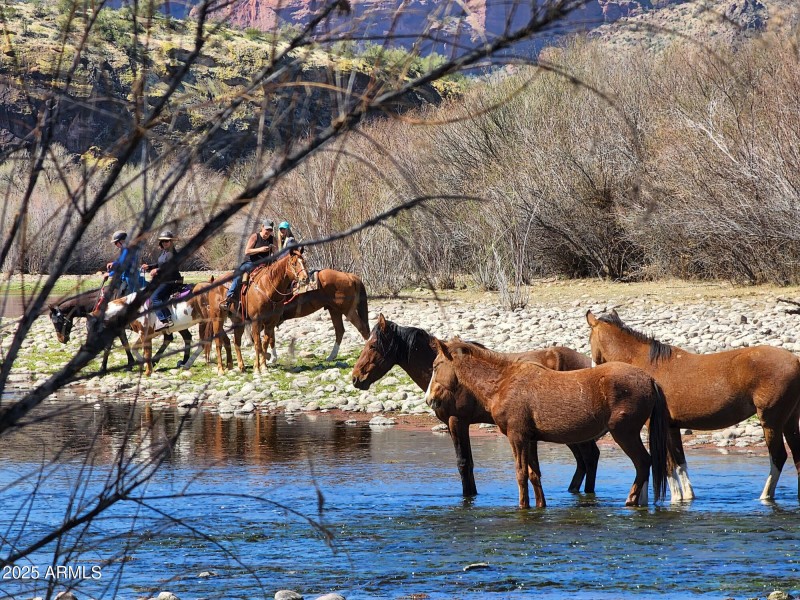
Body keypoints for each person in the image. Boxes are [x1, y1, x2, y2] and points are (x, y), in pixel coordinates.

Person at [220, 220, 277, 312]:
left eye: (270, 230)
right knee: (239, 275)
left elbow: (276, 254)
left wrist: (275, 250)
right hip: (251, 262)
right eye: (266, 229)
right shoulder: (255, 237)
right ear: (262, 227)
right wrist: (260, 249)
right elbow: (247, 251)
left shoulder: (273, 239)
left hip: (266, 264)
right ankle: (229, 297)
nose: (268, 232)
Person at [142, 230, 184, 330]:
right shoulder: (164, 253)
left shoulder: (172, 253)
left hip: (171, 281)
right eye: (163, 241)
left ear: (171, 242)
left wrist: (157, 270)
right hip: (164, 280)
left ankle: (166, 320)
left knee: (154, 298)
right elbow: (160, 265)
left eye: (167, 241)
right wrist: (149, 267)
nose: (165, 243)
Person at [105, 231, 143, 297]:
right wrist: (113, 263)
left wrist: (110, 274)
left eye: (116, 242)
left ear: (122, 241)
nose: (115, 244)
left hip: (131, 277)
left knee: (128, 297)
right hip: (125, 276)